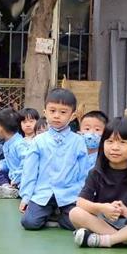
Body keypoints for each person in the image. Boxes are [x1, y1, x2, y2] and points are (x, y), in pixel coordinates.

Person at [71, 117, 127, 248]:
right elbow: (81, 202)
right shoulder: (96, 173)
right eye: (110, 141)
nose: (115, 147)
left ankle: (106, 240)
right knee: (75, 213)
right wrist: (102, 208)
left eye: (122, 142)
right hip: (103, 222)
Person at [18, 88, 88, 230]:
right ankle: (50, 212)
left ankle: (58, 216)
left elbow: (84, 173)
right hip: (43, 192)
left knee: (76, 223)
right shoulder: (38, 140)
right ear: (45, 112)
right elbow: (29, 171)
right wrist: (26, 197)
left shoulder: (78, 141)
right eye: (52, 111)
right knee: (29, 222)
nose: (57, 116)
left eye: (63, 112)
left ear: (73, 115)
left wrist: (82, 195)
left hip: (69, 194)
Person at [0, 108, 28, 199]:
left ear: (1, 128)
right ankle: (7, 187)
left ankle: (14, 189)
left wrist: (17, 178)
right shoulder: (7, 144)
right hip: (12, 176)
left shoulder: (19, 144)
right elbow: (7, 161)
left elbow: (27, 162)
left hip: (23, 178)